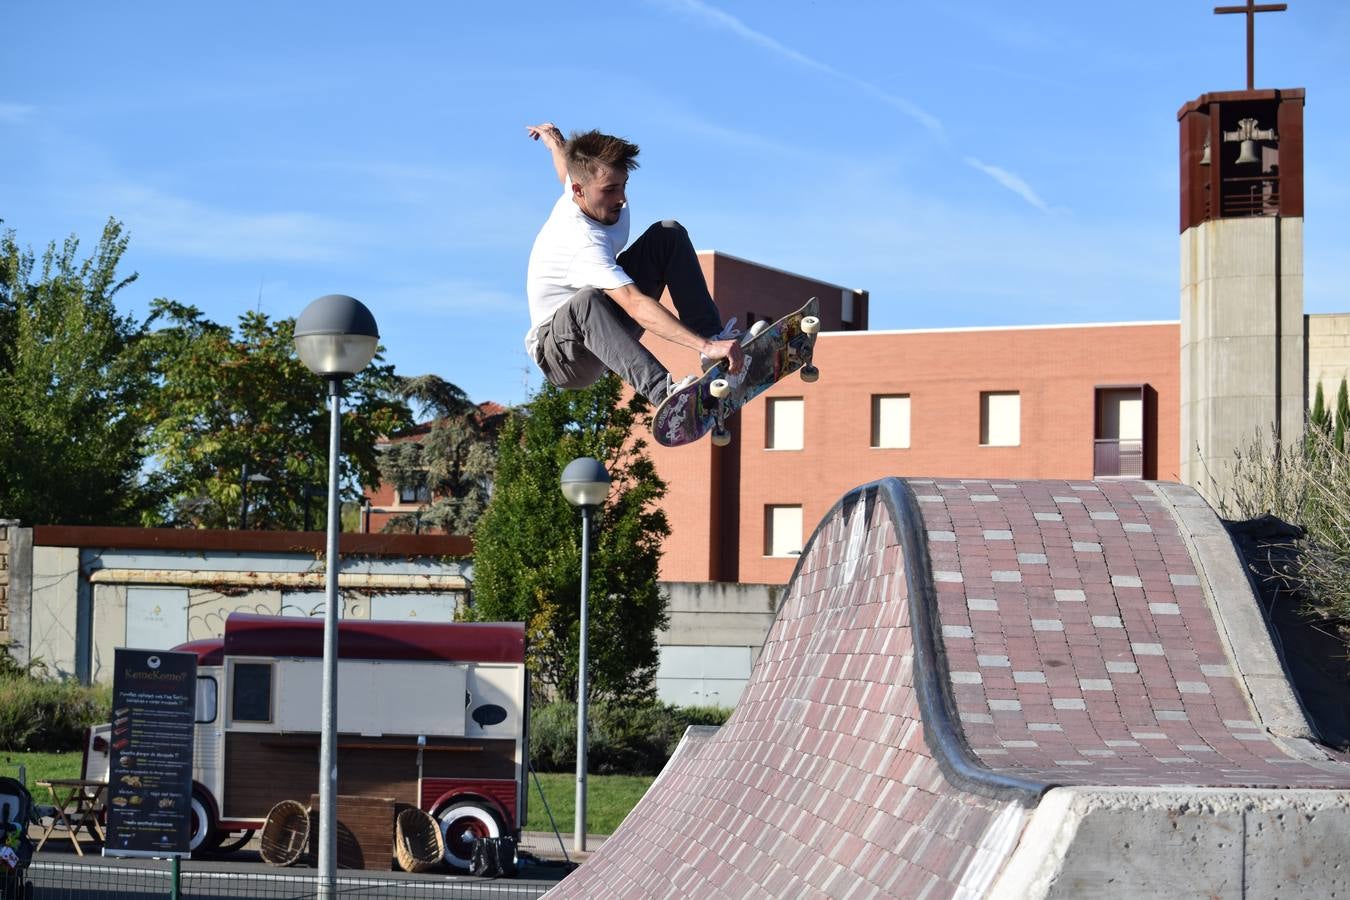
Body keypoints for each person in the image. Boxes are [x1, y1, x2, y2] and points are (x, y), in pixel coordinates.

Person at [524, 123, 744, 407]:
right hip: (563, 357)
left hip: (602, 332)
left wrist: (553, 139)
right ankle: (666, 395)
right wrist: (701, 345)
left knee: (668, 234)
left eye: (624, 185)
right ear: (579, 192)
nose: (621, 199)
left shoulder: (582, 185)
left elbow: (566, 168)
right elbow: (633, 303)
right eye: (611, 190)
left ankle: (712, 341)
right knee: (586, 300)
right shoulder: (581, 242)